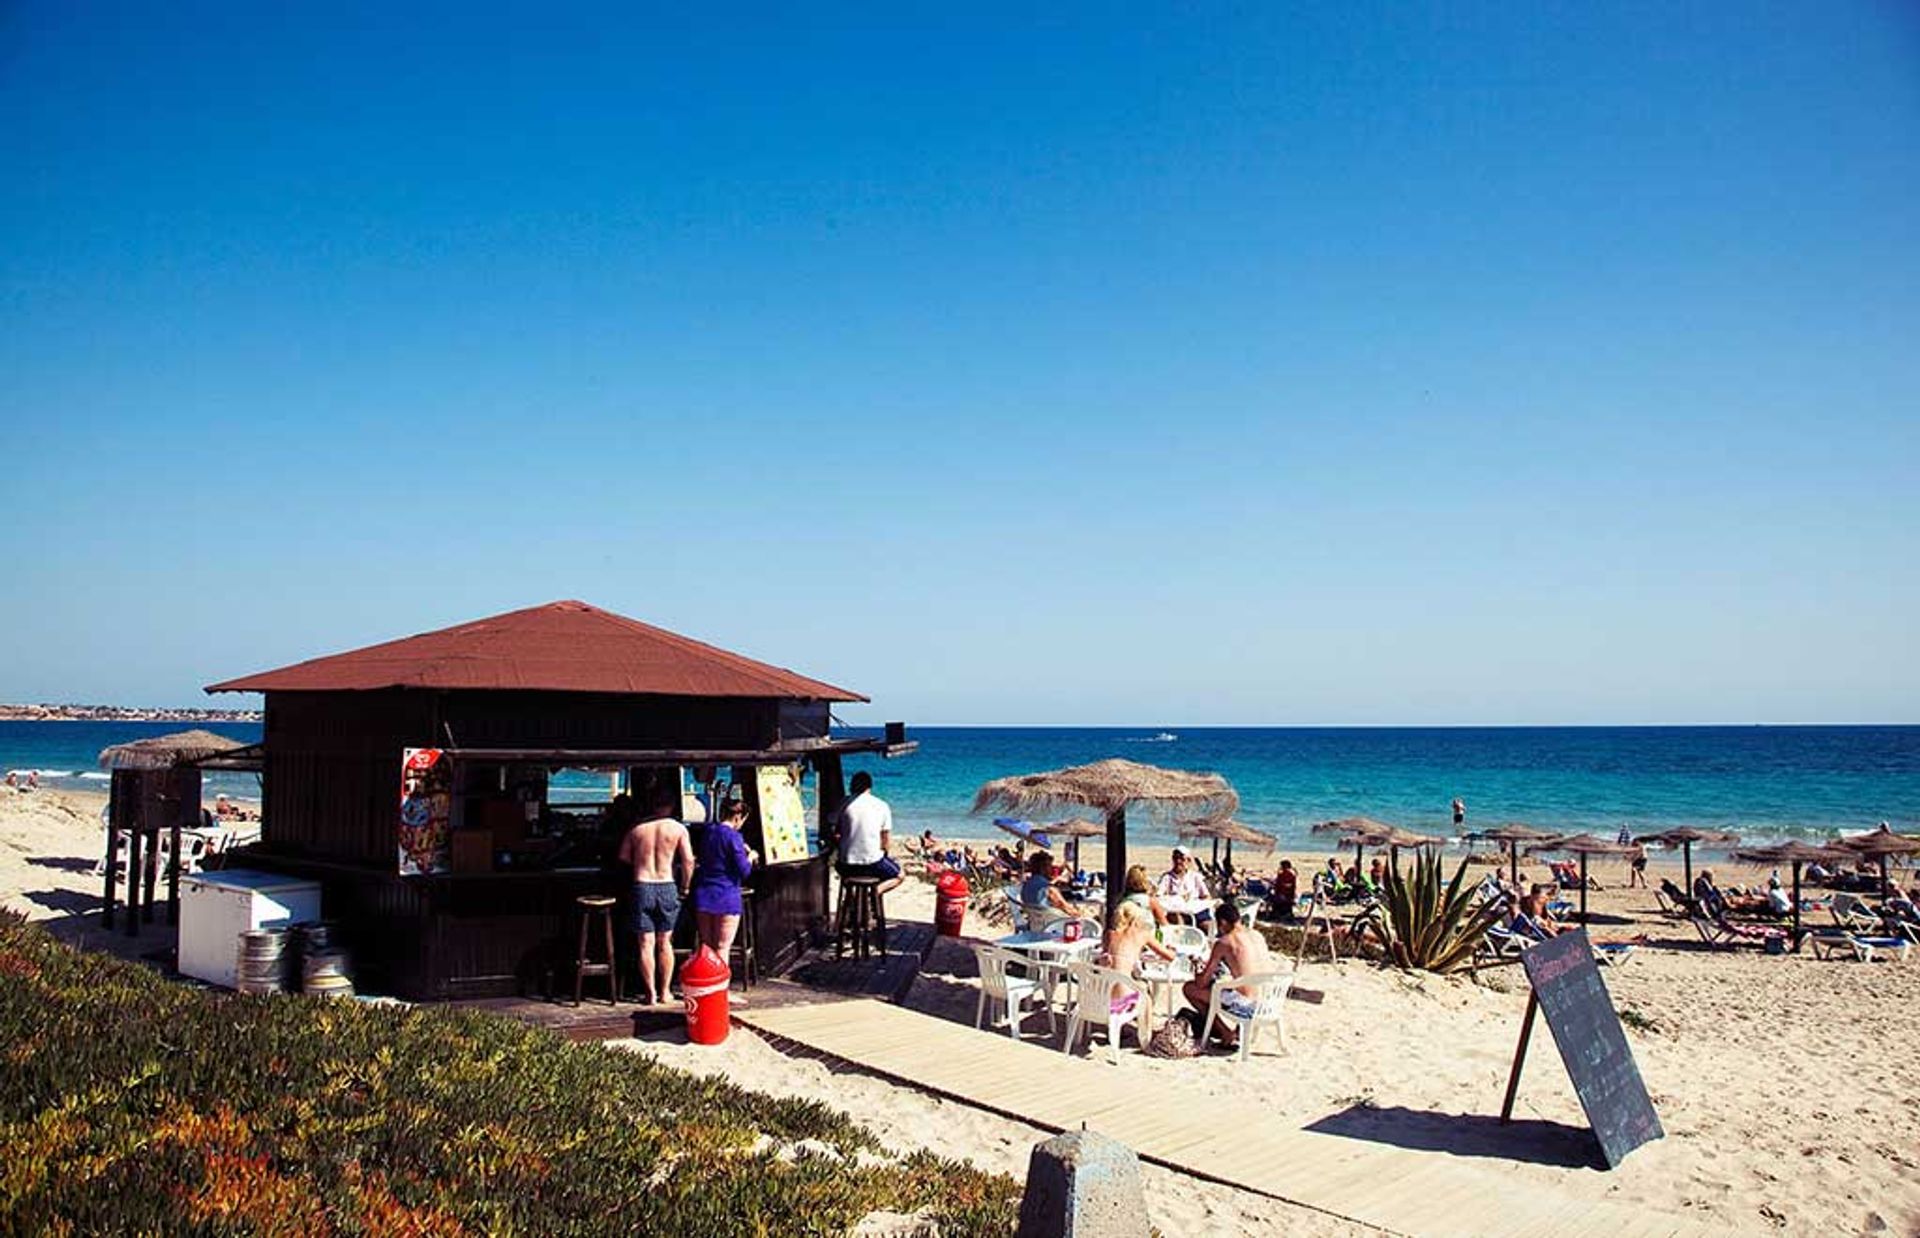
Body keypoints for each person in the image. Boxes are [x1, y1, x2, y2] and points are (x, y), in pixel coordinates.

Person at [618, 789, 694, 1006]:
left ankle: (650, 993)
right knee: (665, 942)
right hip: (666, 884)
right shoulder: (678, 828)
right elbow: (688, 861)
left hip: (642, 885)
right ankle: (665, 992)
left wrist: (641, 863)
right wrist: (686, 886)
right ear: (671, 806)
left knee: (645, 943)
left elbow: (623, 856)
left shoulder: (637, 829)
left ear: (652, 805)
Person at [1180, 901, 1272, 1047]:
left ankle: (1225, 1033)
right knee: (1232, 987)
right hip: (1269, 1001)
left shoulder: (1225, 942)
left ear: (1222, 922)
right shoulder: (1257, 935)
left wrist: (1197, 968)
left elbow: (1201, 982)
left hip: (1247, 1007)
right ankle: (1237, 1031)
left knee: (1190, 989)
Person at [691, 797, 756, 957]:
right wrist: (750, 856)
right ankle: (721, 982)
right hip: (726, 896)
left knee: (706, 947)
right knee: (722, 948)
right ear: (737, 817)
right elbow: (744, 870)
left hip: (704, 894)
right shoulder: (734, 837)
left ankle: (706, 981)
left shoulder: (708, 832)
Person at [835, 771, 902, 897]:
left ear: (852, 786)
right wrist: (885, 854)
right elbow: (886, 840)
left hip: (846, 865)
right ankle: (873, 893)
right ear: (870, 787)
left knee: (841, 870)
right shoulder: (882, 805)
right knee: (900, 875)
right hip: (873, 863)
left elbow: (833, 828)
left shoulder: (843, 803)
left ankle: (853, 897)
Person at [1019, 850, 1082, 919]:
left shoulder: (1026, 885)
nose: (1051, 869)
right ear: (1043, 868)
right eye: (1050, 866)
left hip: (1034, 922)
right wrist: (1079, 913)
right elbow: (1065, 907)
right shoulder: (1048, 888)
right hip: (1051, 923)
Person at [1156, 847, 1210, 921]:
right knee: (1177, 917)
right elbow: (1159, 895)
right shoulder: (1167, 877)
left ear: (1188, 861)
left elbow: (1206, 896)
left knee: (1207, 924)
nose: (1178, 861)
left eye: (1182, 859)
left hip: (1194, 910)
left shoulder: (1195, 876)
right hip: (1176, 910)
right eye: (1175, 858)